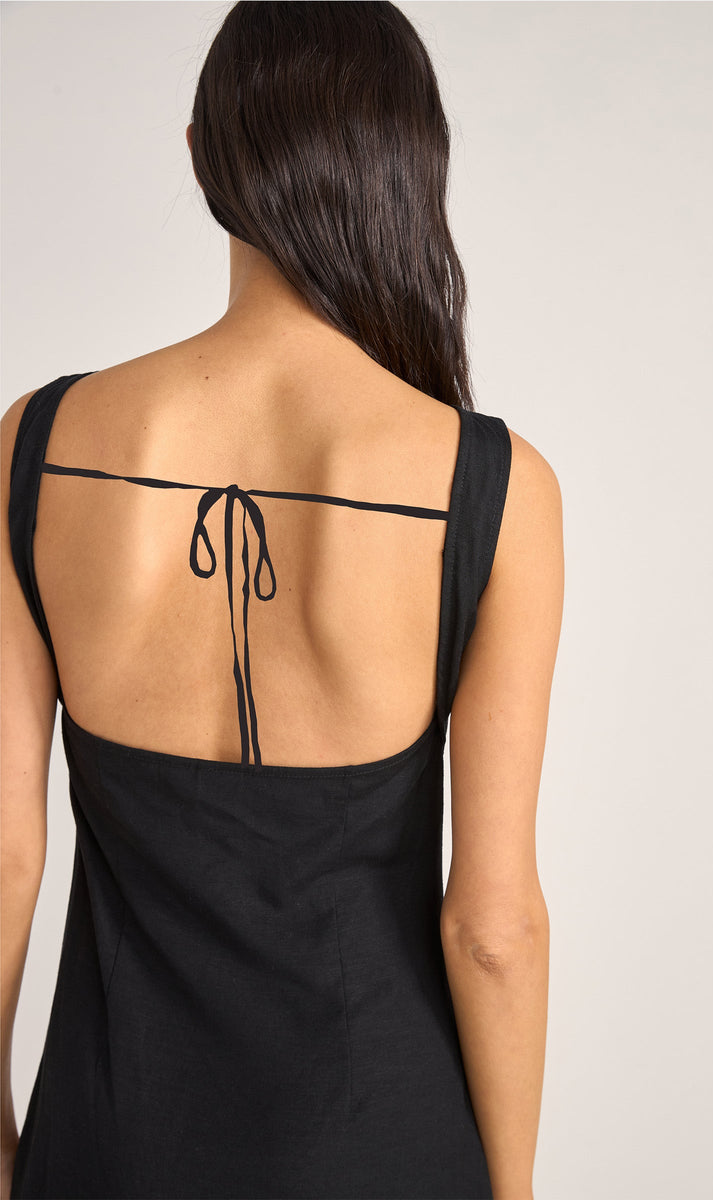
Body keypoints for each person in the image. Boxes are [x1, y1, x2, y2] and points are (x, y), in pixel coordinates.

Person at [0, 2, 563, 1197]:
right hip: (383, 1150)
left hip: (106, 1149)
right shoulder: (489, 487)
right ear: (410, 162)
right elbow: (492, 928)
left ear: (201, 155)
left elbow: (2, 858)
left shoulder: (37, 448)